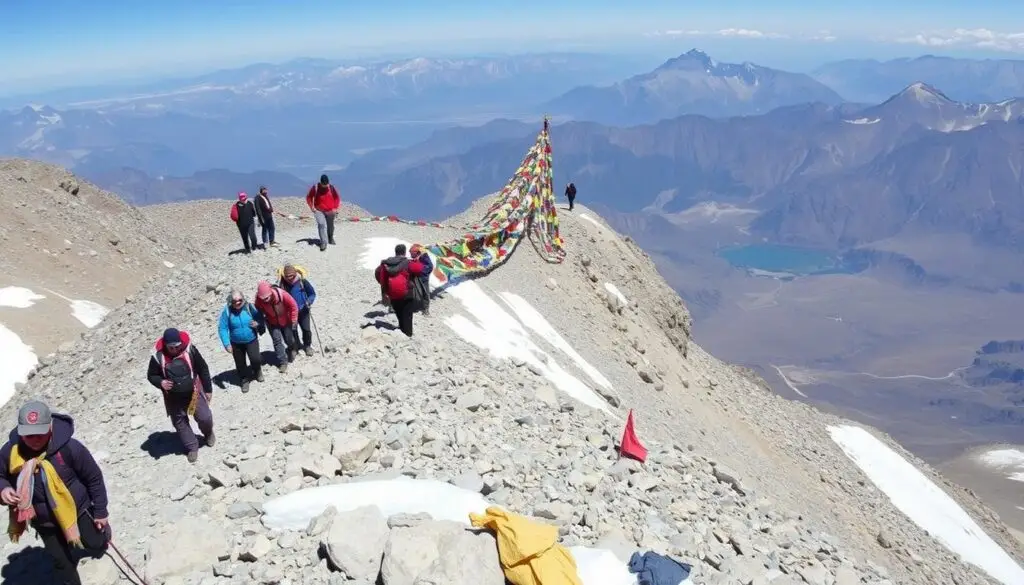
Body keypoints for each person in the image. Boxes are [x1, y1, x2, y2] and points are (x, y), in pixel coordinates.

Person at [0, 401, 110, 585]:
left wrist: (100, 511)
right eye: (28, 435)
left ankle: (100, 535)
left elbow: (94, 478)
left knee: (94, 543)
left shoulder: (70, 448)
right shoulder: (11, 452)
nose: (34, 439)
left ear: (50, 426)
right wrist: (3, 489)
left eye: (40, 433)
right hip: (43, 520)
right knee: (62, 563)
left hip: (78, 510)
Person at [146, 328, 215, 463]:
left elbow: (202, 368)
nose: (174, 350)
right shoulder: (157, 357)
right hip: (173, 397)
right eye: (171, 347)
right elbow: (151, 375)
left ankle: (208, 433)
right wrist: (161, 382)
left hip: (193, 392)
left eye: (176, 346)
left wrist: (208, 389)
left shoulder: (190, 350)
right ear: (165, 344)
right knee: (180, 423)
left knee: (204, 417)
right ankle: (192, 447)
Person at [374, 243, 428, 337]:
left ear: (396, 252)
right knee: (407, 315)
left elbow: (379, 274)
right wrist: (420, 258)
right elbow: (420, 269)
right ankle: (408, 334)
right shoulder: (408, 263)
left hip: (393, 294)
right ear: (404, 252)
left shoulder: (386, 264)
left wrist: (385, 291)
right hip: (407, 294)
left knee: (399, 313)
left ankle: (402, 330)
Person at [217, 289, 265, 393]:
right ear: (231, 301)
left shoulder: (249, 307)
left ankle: (257, 371)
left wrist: (257, 323)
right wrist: (226, 344)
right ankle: (244, 380)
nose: (237, 302)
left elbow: (260, 318)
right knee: (240, 363)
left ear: (243, 298)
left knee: (255, 358)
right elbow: (222, 328)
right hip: (236, 343)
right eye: (234, 301)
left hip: (251, 339)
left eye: (239, 300)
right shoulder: (227, 311)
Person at [254, 280, 299, 373]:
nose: (265, 300)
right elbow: (257, 311)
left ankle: (292, 348)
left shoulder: (281, 294)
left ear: (270, 292)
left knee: (288, 338)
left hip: (286, 320)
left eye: (267, 297)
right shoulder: (259, 299)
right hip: (272, 322)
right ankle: (283, 362)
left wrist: (294, 319)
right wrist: (260, 322)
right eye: (263, 298)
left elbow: (293, 306)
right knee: (277, 341)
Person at [277, 264, 317, 357]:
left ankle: (307, 346)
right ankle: (296, 346)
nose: (290, 278)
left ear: (295, 274)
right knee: (293, 331)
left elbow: (312, 293)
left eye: (291, 275)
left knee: (306, 329)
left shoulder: (302, 281)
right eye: (287, 276)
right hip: (290, 313)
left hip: (304, 310)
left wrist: (309, 301)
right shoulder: (282, 285)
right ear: (284, 276)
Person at [305, 174, 341, 251]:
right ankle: (323, 242)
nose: (325, 186)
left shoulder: (331, 188)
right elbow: (309, 197)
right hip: (319, 210)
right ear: (320, 182)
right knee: (321, 224)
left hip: (330, 210)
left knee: (330, 226)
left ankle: (330, 238)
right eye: (324, 185)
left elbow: (337, 198)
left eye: (326, 184)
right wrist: (312, 207)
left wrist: (335, 208)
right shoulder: (315, 188)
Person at [409, 244, 433, 317]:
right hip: (416, 276)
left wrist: (420, 270)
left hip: (423, 278)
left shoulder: (424, 256)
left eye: (411, 253)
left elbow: (430, 267)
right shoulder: (418, 256)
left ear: (416, 252)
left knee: (425, 292)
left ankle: (426, 309)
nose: (410, 255)